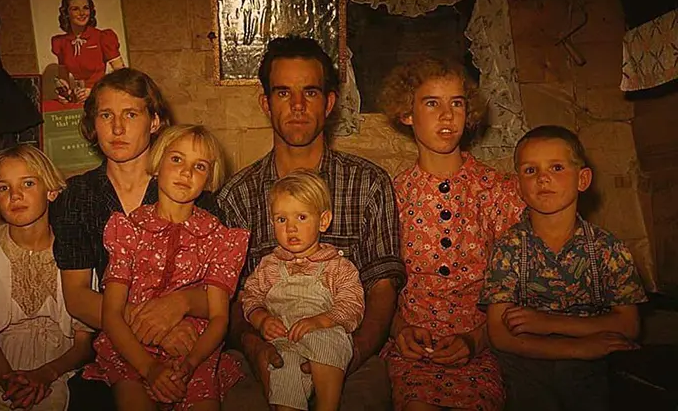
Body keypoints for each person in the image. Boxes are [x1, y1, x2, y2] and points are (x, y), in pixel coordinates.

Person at [217, 36, 405, 410]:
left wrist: (349, 356)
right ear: (266, 103)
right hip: (269, 352)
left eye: (311, 92)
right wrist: (255, 348)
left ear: (330, 103)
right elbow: (232, 297)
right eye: (284, 93)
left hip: (352, 352)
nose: (298, 106)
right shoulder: (235, 196)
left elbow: (382, 288)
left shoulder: (369, 184)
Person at [51, 68, 222, 409]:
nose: (117, 128)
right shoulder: (78, 197)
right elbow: (77, 296)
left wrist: (181, 304)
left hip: (191, 341)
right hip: (117, 345)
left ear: (155, 121)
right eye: (105, 115)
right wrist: (153, 326)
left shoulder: (192, 192)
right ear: (92, 124)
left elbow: (223, 293)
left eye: (130, 114)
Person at [378, 55, 525, 411]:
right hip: (413, 351)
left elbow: (522, 281)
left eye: (456, 103)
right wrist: (399, 330)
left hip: (482, 345)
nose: (447, 115)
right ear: (407, 113)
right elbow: (378, 284)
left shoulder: (498, 190)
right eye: (432, 103)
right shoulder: (391, 195)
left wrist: (478, 339)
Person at [82, 125, 250, 410]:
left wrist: (191, 363)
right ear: (157, 164)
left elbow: (220, 317)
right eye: (176, 160)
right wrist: (149, 368)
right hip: (131, 350)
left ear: (209, 179)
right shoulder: (128, 229)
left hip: (193, 350)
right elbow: (111, 313)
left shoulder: (221, 238)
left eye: (199, 166)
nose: (186, 172)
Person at [481, 125, 647, 411]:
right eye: (530, 170)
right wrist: (576, 347)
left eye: (556, 167)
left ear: (582, 179)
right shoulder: (508, 248)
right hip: (527, 362)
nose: (543, 178)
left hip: (594, 362)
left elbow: (628, 325)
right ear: (518, 186)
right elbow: (499, 334)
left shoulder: (608, 248)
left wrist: (549, 324)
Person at [0, 145, 93, 410]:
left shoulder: (77, 253)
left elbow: (83, 344)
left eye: (28, 183)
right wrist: (11, 383)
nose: (15, 195)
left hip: (61, 364)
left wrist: (46, 374)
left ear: (51, 191)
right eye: (4, 187)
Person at [241, 169, 365, 411]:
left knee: (327, 342)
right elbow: (250, 296)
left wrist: (322, 320)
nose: (291, 228)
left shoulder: (336, 266)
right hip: (284, 341)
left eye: (301, 217)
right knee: (281, 367)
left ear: (323, 221)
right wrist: (261, 319)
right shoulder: (269, 265)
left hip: (323, 334)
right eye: (281, 219)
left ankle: (328, 405)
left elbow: (352, 304)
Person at [51, 0, 125, 103]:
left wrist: (94, 91)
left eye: (85, 8)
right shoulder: (61, 42)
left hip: (101, 98)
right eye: (75, 9)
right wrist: (65, 93)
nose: (82, 13)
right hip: (78, 99)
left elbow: (123, 75)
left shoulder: (103, 37)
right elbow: (63, 78)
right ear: (66, 13)